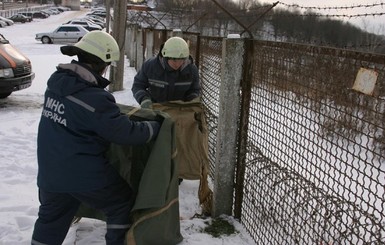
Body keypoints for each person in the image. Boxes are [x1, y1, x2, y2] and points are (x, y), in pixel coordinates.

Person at [31, 31, 160, 245]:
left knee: (50, 220)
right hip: (82, 174)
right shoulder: (95, 98)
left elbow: (80, 116)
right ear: (103, 64)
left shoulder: (55, 84)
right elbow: (124, 133)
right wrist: (154, 128)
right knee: (120, 202)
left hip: (49, 172)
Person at [131, 36, 200, 109]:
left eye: (181, 60)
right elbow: (138, 85)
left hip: (180, 110)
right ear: (165, 57)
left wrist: (192, 100)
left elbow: (194, 89)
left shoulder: (192, 70)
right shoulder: (150, 66)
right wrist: (144, 99)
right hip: (155, 108)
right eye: (174, 60)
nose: (177, 64)